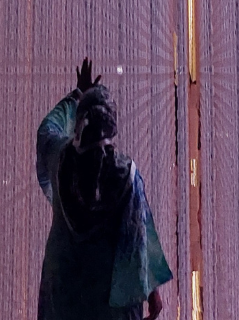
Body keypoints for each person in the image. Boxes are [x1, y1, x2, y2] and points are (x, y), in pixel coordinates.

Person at [36, 58, 172, 320]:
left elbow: (46, 131)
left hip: (62, 295)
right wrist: (151, 292)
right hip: (108, 304)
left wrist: (77, 96)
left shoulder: (60, 159)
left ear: (79, 125)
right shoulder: (126, 176)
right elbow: (138, 239)